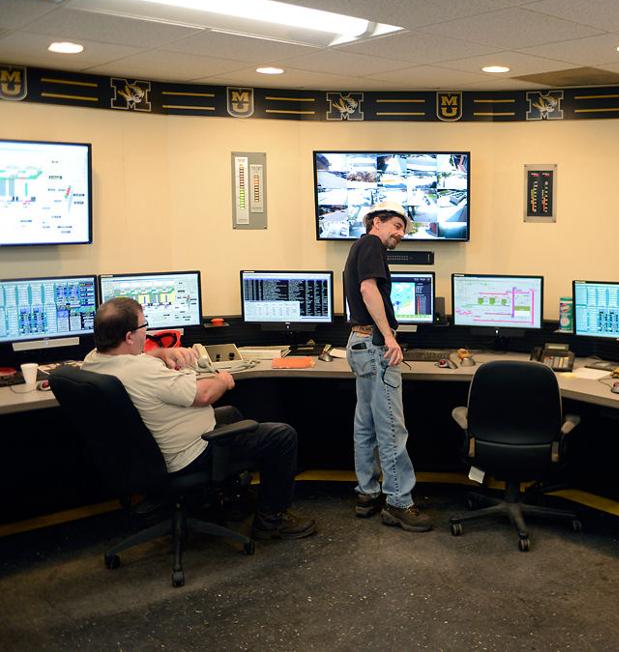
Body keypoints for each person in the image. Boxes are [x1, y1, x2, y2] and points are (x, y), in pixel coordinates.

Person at [83, 297, 316, 540]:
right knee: (281, 436)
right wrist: (222, 380)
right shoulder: (143, 372)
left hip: (148, 452)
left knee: (232, 414)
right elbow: (204, 394)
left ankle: (228, 498)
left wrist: (163, 353)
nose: (147, 332)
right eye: (144, 327)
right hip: (189, 454)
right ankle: (271, 521)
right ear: (130, 337)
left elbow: (135, 363)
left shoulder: (95, 360)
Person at [343, 200, 432, 532]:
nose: (400, 234)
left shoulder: (357, 247)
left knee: (365, 423)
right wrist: (390, 338)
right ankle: (398, 501)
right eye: (396, 226)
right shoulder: (370, 244)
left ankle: (368, 493)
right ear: (376, 222)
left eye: (404, 230)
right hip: (375, 344)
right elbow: (368, 290)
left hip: (359, 341)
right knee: (393, 428)